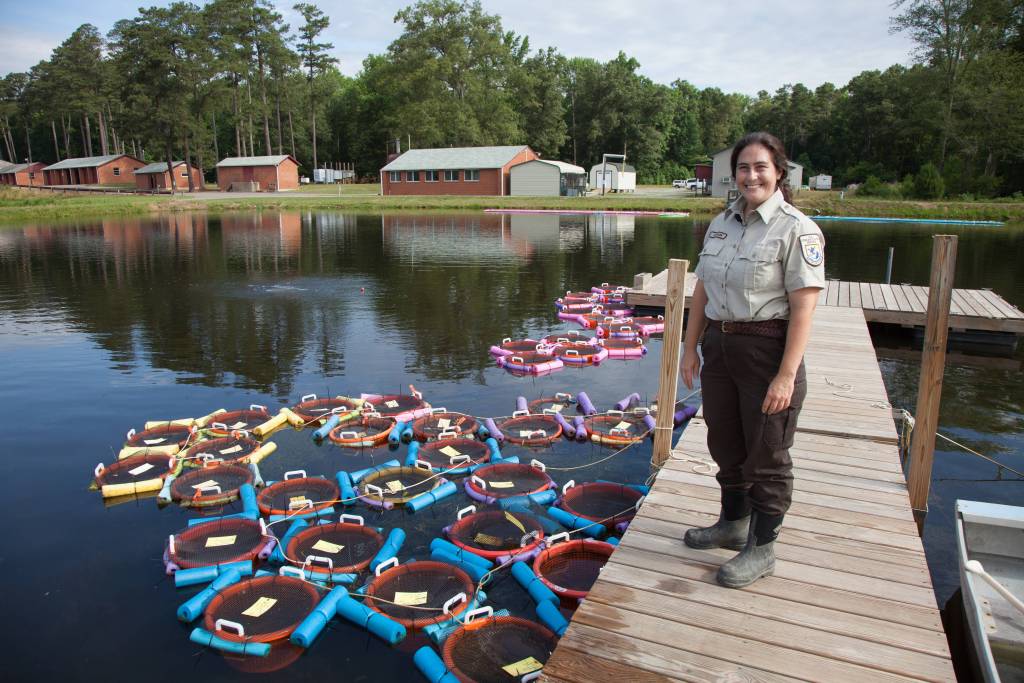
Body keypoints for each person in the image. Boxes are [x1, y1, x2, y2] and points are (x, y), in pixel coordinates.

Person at [680, 132, 825, 588]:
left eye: (760, 167)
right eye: (743, 167)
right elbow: (703, 285)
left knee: (768, 454)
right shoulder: (722, 222)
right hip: (720, 348)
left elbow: (804, 307)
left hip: (767, 351)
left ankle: (762, 549)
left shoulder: (797, 228)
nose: (751, 175)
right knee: (725, 442)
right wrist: (690, 347)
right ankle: (733, 523)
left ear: (779, 171)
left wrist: (786, 375)